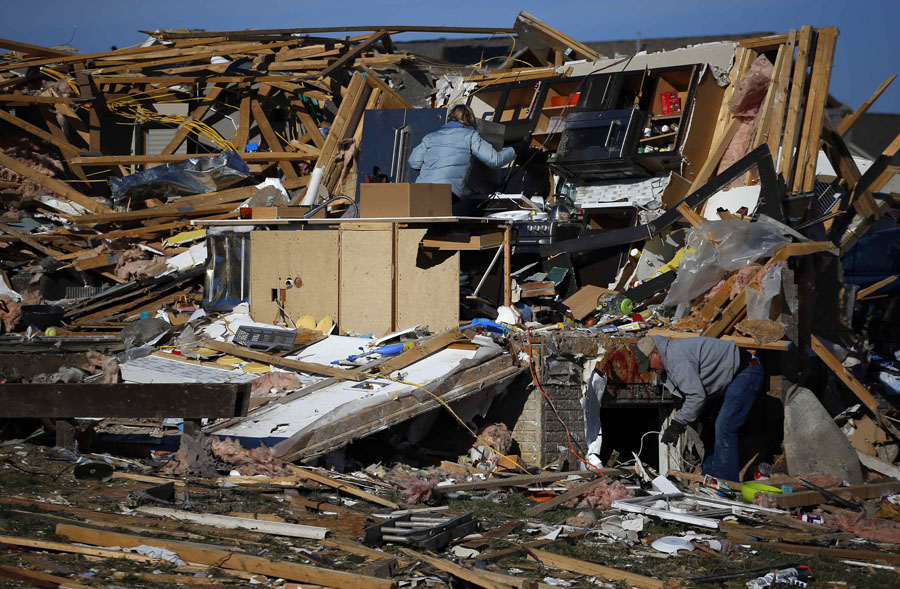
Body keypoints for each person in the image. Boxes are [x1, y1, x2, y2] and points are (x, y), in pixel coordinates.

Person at [633, 335, 764, 481]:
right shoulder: (669, 364)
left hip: (746, 371)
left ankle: (727, 485)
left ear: (656, 352)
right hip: (731, 378)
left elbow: (696, 396)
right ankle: (709, 482)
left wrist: (677, 424)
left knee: (724, 427)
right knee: (710, 430)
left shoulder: (676, 360)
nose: (650, 370)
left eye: (649, 364)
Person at [408, 104, 517, 215]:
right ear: (470, 119)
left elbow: (414, 162)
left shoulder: (431, 137)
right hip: (446, 192)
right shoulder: (470, 136)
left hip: (420, 190)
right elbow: (495, 160)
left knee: (422, 219)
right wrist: (515, 149)